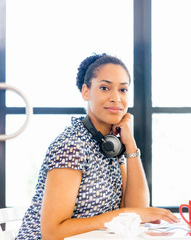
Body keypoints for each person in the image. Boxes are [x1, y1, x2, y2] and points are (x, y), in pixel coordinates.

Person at [16, 53, 179, 240]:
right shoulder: (71, 146)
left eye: (123, 90)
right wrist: (118, 217)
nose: (116, 98)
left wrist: (130, 145)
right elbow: (52, 233)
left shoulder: (110, 144)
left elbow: (136, 211)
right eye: (105, 88)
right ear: (86, 92)